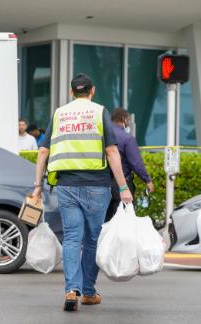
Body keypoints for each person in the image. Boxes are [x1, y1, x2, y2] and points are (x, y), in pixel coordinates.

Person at [31, 73, 133, 312]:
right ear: (92, 90)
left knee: (72, 237)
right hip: (97, 185)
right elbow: (111, 152)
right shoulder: (99, 112)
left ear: (71, 92)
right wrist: (123, 187)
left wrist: (37, 186)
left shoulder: (59, 114)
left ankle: (70, 290)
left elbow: (43, 152)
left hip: (66, 185)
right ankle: (88, 292)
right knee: (92, 239)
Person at [105, 108, 154, 222]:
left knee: (103, 221)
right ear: (124, 119)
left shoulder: (102, 135)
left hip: (101, 183)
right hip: (122, 184)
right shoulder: (127, 138)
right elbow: (136, 163)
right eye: (128, 120)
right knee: (124, 220)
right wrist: (147, 180)